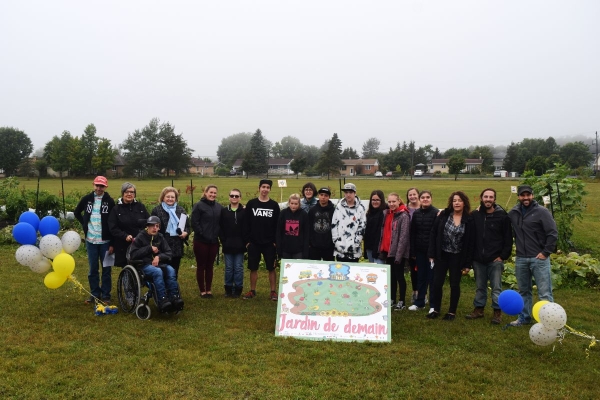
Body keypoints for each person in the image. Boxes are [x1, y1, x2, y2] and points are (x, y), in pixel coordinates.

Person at [507, 184, 558, 327]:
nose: (525, 198)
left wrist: (545, 252)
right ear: (518, 197)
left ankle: (548, 321)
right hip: (521, 258)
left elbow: (552, 233)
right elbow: (501, 220)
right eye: (522, 195)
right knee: (523, 290)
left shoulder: (542, 212)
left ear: (532, 196)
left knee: (544, 292)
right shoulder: (514, 212)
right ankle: (524, 317)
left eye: (528, 195)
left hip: (539, 258)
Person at [467, 188, 513, 324]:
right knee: (480, 286)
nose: (488, 199)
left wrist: (503, 256)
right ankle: (479, 309)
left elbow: (508, 238)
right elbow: (470, 236)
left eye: (491, 197)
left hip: (495, 259)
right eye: (485, 197)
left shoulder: (502, 216)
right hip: (478, 259)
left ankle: (497, 312)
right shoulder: (475, 215)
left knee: (496, 287)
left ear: (494, 199)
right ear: (481, 198)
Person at [427, 191, 475, 320]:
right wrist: (431, 253)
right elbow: (433, 233)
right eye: (454, 200)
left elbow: (470, 243)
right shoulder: (443, 215)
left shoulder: (469, 219)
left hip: (457, 257)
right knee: (437, 283)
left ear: (464, 202)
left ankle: (451, 312)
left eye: (459, 200)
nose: (457, 203)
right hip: (442, 254)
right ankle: (436, 309)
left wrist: (467, 264)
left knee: (454, 284)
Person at [129, 216, 184, 312]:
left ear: (159, 227)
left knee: (171, 270)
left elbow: (169, 252)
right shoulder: (140, 237)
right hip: (144, 265)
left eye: (157, 226)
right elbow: (133, 255)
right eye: (152, 226)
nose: (154, 228)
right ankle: (162, 299)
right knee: (157, 272)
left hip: (159, 264)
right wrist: (149, 248)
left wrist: (159, 257)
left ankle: (174, 297)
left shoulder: (160, 237)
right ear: (147, 227)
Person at [74, 176, 115, 304]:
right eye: (97, 185)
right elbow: (77, 212)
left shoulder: (110, 201)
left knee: (107, 269)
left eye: (101, 186)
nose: (99, 188)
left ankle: (106, 295)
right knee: (93, 269)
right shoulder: (87, 199)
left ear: (106, 187)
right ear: (93, 185)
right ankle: (95, 294)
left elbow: (114, 223)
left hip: (106, 242)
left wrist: (113, 243)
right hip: (91, 240)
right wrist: (85, 224)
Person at [242, 179, 281, 300]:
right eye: (263, 187)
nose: (265, 189)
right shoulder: (251, 204)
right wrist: (247, 241)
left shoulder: (274, 205)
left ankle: (273, 292)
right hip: (254, 242)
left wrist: (275, 241)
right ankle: (252, 290)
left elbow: (277, 225)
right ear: (259, 188)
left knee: (271, 268)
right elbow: (246, 223)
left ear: (270, 189)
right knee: (253, 267)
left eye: (267, 187)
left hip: (269, 243)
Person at [379, 193, 410, 310]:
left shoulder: (403, 216)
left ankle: (402, 300)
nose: (391, 204)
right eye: (389, 202)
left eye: (394, 202)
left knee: (400, 277)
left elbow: (403, 237)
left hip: (398, 253)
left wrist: (399, 255)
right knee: (391, 277)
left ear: (399, 201)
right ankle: (392, 298)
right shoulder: (388, 214)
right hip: (388, 251)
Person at [408, 190, 438, 312]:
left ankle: (433, 305)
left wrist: (433, 253)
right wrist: (413, 252)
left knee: (432, 279)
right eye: (423, 197)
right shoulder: (416, 214)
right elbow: (413, 233)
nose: (425, 199)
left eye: (427, 197)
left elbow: (436, 235)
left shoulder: (436, 213)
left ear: (431, 199)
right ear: (420, 199)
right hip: (419, 251)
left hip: (431, 253)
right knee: (420, 277)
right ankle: (419, 302)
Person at [151, 187, 190, 279]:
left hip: (177, 245)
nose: (170, 199)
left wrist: (185, 233)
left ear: (176, 198)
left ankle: (172, 290)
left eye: (172, 197)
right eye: (167, 196)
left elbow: (187, 226)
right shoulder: (157, 210)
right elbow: (151, 228)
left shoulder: (181, 210)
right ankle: (161, 290)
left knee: (174, 270)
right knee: (162, 270)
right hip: (161, 245)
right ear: (163, 197)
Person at [192, 185, 223, 298]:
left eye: (215, 193)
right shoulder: (198, 206)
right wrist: (202, 234)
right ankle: (202, 290)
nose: (213, 195)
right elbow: (195, 223)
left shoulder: (219, 207)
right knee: (201, 265)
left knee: (210, 266)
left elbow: (221, 223)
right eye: (211, 192)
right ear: (205, 193)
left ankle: (208, 289)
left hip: (213, 241)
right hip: (201, 241)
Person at [108, 182, 149, 268]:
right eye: (126, 192)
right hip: (123, 245)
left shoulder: (141, 207)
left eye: (132, 192)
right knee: (126, 268)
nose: (129, 194)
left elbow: (148, 223)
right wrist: (125, 236)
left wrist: (143, 234)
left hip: (140, 244)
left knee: (141, 267)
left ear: (135, 194)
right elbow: (113, 227)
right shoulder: (116, 209)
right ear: (122, 193)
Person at [219, 188, 246, 298]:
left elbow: (247, 227)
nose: (234, 198)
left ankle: (238, 288)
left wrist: (245, 241)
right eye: (232, 196)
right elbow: (221, 228)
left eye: (236, 196)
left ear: (240, 198)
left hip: (240, 244)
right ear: (229, 197)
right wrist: (223, 241)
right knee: (229, 268)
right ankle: (228, 288)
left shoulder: (244, 211)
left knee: (238, 267)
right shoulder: (224, 211)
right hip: (228, 244)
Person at [331, 183, 367, 263]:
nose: (348, 195)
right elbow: (334, 225)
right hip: (340, 249)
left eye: (350, 192)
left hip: (354, 251)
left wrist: (356, 244)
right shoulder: (339, 207)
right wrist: (336, 242)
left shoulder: (360, 208)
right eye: (346, 192)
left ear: (355, 193)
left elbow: (362, 227)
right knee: (341, 272)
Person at [276, 193, 309, 259]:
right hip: (285, 249)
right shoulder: (283, 213)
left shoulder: (303, 214)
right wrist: (279, 248)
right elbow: (279, 231)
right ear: (289, 203)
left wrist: (305, 250)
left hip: (298, 250)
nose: (293, 206)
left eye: (296, 204)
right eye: (292, 203)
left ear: (299, 204)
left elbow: (306, 233)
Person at [307, 187, 336, 261]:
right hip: (314, 246)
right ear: (318, 196)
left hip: (328, 246)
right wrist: (310, 242)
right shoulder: (312, 210)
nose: (323, 197)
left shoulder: (334, 211)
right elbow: (309, 227)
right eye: (321, 195)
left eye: (326, 195)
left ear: (329, 197)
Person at [364, 190, 387, 264]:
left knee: (379, 270)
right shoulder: (369, 213)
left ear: (381, 200)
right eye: (373, 200)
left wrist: (377, 249)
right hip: (369, 246)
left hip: (379, 248)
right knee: (373, 271)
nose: (375, 202)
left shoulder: (384, 213)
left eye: (377, 200)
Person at [406, 187, 421, 303]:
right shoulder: (406, 209)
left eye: (414, 194)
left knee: (422, 270)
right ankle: (415, 292)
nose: (412, 197)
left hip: (422, 243)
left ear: (418, 195)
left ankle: (423, 293)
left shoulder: (424, 207)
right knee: (413, 270)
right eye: (410, 195)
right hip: (409, 244)